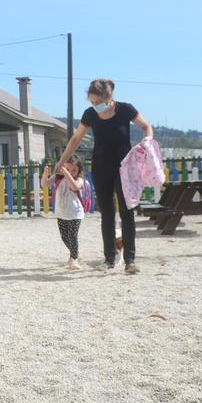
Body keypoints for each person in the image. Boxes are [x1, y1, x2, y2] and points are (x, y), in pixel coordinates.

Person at [55, 79, 153, 274]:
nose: (94, 105)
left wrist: (147, 142)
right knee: (107, 214)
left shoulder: (126, 109)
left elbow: (146, 126)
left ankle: (130, 261)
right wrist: (61, 162)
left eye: (97, 102)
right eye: (91, 102)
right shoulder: (90, 114)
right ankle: (109, 259)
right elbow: (75, 139)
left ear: (109, 99)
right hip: (100, 167)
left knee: (127, 213)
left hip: (124, 169)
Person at [43, 156, 86, 270]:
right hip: (61, 213)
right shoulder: (57, 178)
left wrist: (66, 172)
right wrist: (45, 174)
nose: (71, 172)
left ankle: (74, 259)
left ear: (79, 171)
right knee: (64, 237)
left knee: (72, 236)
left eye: (74, 170)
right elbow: (45, 184)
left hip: (75, 213)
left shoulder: (79, 180)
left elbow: (74, 186)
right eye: (68, 169)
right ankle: (75, 254)